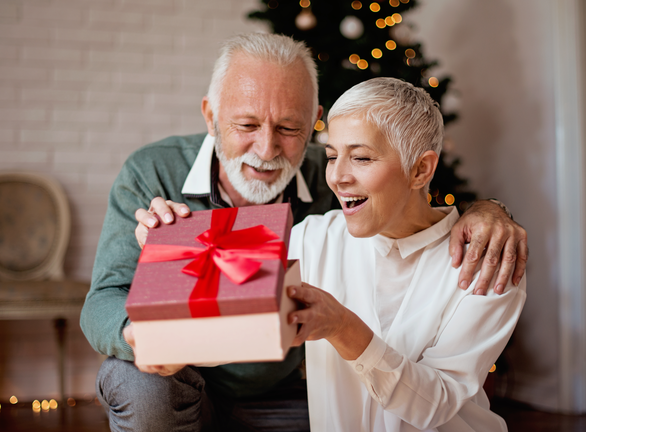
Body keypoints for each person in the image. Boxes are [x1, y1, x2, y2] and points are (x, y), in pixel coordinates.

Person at [80, 33, 527, 431]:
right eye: (247, 125)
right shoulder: (314, 233)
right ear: (210, 116)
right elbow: (231, 281)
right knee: (135, 380)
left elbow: (412, 201)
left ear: (312, 122)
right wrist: (173, 251)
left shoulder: (334, 190)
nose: (267, 148)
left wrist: (490, 210)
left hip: (288, 391)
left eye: (289, 128)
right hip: (189, 384)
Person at [286, 77, 526, 431]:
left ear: (420, 170)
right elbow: (230, 308)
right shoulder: (312, 239)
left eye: (361, 157)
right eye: (332, 156)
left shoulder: (486, 262)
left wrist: (342, 327)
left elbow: (437, 403)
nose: (336, 176)